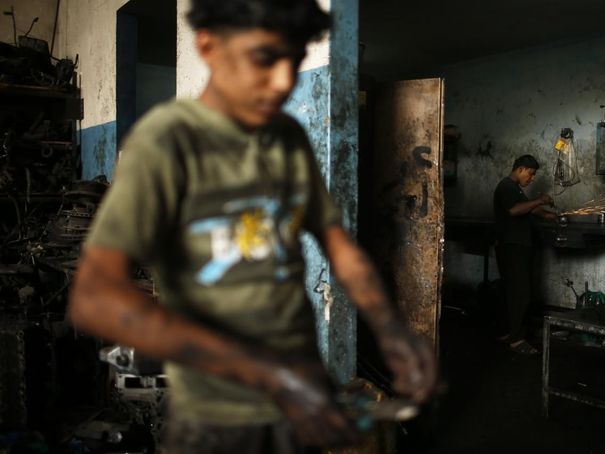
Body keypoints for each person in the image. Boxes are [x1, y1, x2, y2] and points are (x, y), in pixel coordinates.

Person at [68, 0, 437, 453]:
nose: (284, 81)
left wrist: (390, 328)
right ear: (209, 47)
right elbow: (94, 296)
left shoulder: (288, 140)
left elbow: (338, 245)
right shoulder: (166, 143)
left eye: (295, 61)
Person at [493, 154, 556, 355]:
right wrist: (540, 199)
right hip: (512, 247)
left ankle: (509, 332)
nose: (532, 178)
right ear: (520, 169)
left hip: (518, 247)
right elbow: (514, 210)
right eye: (531, 174)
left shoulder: (516, 189)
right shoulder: (506, 187)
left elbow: (527, 208)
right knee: (520, 293)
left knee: (513, 291)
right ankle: (517, 340)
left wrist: (546, 213)